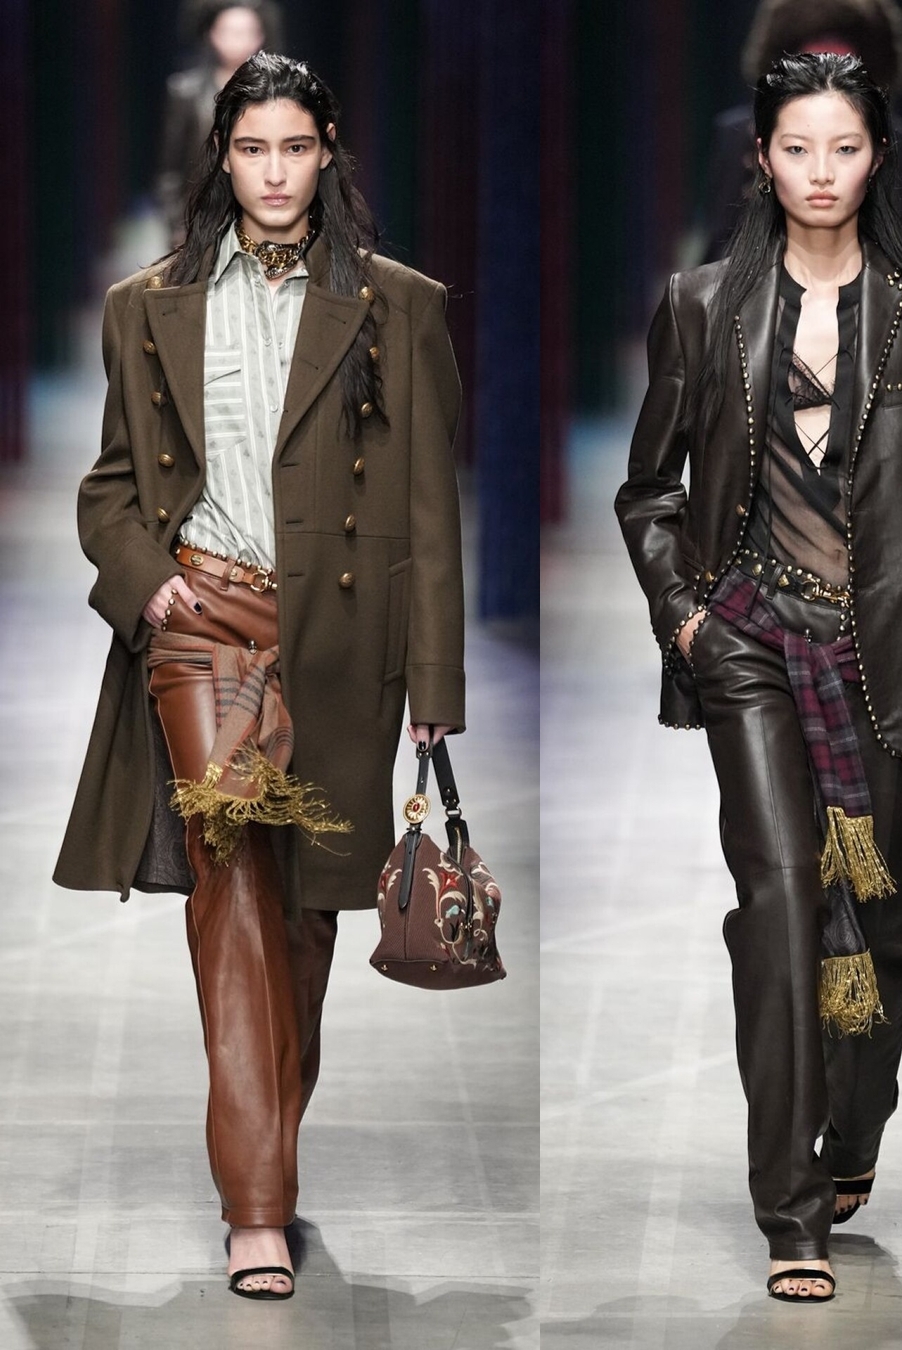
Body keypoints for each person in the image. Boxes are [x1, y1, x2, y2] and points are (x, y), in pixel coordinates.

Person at [55, 51, 464, 1300]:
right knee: (229, 885)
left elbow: (429, 507)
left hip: (338, 635)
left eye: (294, 147)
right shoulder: (148, 305)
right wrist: (148, 584)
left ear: (327, 150)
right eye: (251, 150)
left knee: (304, 917)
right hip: (204, 628)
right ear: (221, 159)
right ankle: (256, 1207)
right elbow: (112, 486)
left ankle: (268, 1149)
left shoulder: (398, 305)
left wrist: (434, 690)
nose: (274, 173)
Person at [615, 52, 902, 1303]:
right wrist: (685, 620)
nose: (821, 172)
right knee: (784, 897)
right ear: (762, 159)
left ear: (877, 157)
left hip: (887, 655)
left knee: (876, 920)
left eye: (844, 148)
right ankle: (790, 1208)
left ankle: (854, 1132)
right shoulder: (701, 306)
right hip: (748, 644)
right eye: (798, 149)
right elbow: (648, 488)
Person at [699, 0, 902, 262]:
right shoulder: (739, 134)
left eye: (846, 149)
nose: (827, 59)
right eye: (796, 149)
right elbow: (720, 241)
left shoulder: (893, 138)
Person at [157, 2, 283, 246]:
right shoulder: (186, 92)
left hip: (262, 217)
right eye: (230, 32)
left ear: (260, 37)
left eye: (247, 32)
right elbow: (169, 171)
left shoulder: (279, 92)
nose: (238, 40)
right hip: (202, 218)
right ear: (213, 34)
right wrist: (177, 227)